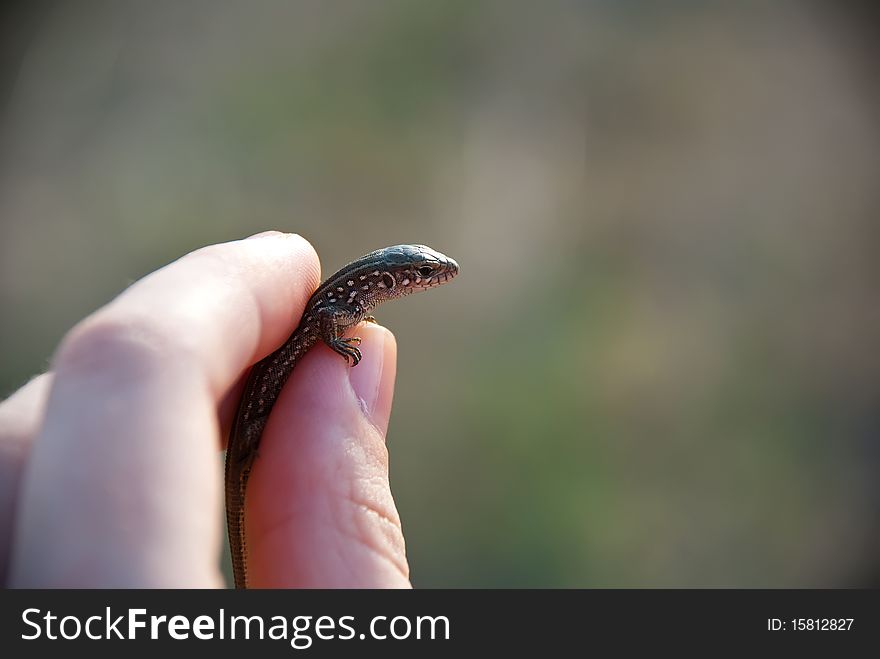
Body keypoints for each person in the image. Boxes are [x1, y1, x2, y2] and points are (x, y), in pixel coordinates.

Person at [0, 232, 410, 587]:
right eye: (424, 275)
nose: (431, 279)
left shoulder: (349, 302)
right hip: (253, 421)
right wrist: (336, 344)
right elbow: (324, 317)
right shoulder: (341, 305)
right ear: (392, 280)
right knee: (254, 450)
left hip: (264, 407)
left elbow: (326, 316)